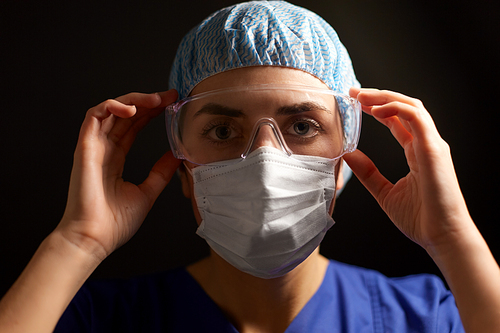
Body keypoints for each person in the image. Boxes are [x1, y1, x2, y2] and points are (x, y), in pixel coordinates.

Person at [0, 1, 499, 332]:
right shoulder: (97, 320)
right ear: (181, 163)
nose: (265, 159)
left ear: (344, 157)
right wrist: (76, 242)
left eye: (302, 126)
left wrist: (453, 238)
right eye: (222, 130)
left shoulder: (429, 317)